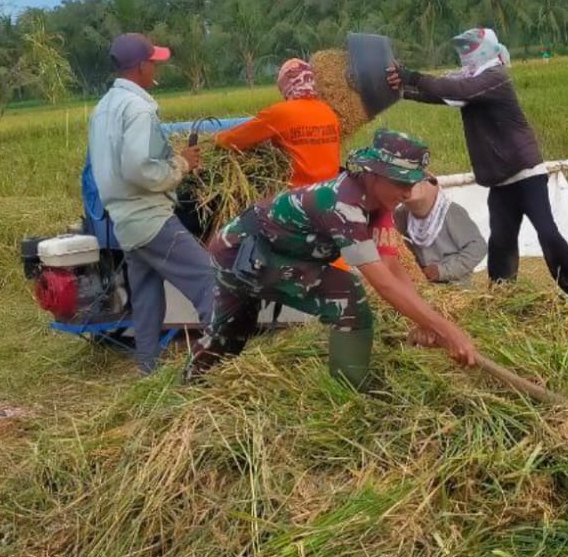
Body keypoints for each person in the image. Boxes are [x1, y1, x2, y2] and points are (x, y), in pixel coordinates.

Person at [184, 129, 480, 387]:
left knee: (228, 332)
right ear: (373, 173)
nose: (406, 192)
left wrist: (427, 322)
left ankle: (192, 386)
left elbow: (391, 268)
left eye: (411, 183)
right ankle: (352, 392)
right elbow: (383, 284)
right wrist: (447, 330)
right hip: (243, 252)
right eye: (399, 182)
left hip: (269, 252)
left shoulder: (378, 202)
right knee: (346, 295)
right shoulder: (342, 206)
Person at [387, 28, 568, 298]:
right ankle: (500, 295)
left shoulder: (495, 78)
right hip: (500, 180)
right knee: (501, 240)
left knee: (546, 231)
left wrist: (412, 76)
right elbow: (443, 94)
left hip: (525, 173)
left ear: (486, 50)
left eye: (469, 50)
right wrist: (403, 91)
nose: (465, 57)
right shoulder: (472, 82)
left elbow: (456, 88)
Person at [87, 33, 215, 373]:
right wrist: (182, 164)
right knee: (209, 279)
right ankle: (219, 359)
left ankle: (147, 371)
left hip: (124, 219)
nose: (156, 67)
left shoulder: (103, 109)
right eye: (153, 62)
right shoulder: (139, 108)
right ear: (141, 66)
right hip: (150, 218)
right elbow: (138, 168)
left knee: (146, 299)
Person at [213, 58, 342, 187]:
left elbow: (235, 140)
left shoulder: (281, 113)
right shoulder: (329, 113)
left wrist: (216, 139)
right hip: (331, 191)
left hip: (297, 196)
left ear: (286, 84)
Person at [395, 176, 487, 284]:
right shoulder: (401, 214)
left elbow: (478, 248)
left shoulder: (451, 212)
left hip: (454, 285)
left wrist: (442, 271)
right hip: (421, 282)